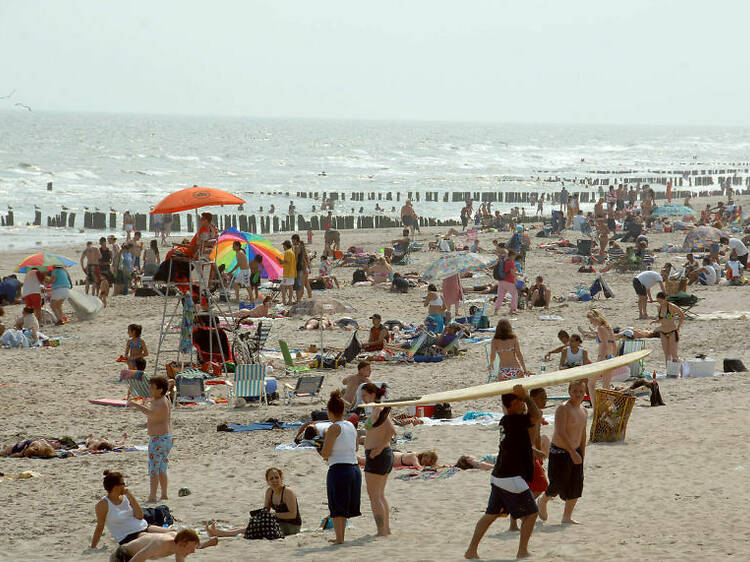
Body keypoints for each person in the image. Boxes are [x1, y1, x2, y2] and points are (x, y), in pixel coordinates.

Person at [464, 384, 541, 560]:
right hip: (510, 477)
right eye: (519, 401)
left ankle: (471, 551)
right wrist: (528, 396)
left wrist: (533, 451)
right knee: (532, 514)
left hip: (499, 476)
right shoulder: (514, 420)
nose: (522, 404)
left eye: (523, 401)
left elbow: (519, 442)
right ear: (511, 405)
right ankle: (522, 551)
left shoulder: (506, 421)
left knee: (490, 515)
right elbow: (536, 415)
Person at [538, 379, 588, 525]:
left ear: (584, 393)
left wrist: (582, 453)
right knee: (557, 484)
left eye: (580, 391)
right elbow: (560, 432)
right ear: (569, 392)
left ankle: (567, 516)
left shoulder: (584, 410)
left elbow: (583, 434)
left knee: (576, 485)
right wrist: (572, 452)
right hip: (560, 451)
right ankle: (543, 500)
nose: (578, 394)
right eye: (574, 391)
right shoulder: (563, 408)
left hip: (576, 450)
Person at [205, 467, 302, 538]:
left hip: (292, 526)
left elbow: (293, 515)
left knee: (257, 527)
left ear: (281, 478)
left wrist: (274, 515)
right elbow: (266, 511)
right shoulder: (269, 492)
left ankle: (221, 533)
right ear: (267, 481)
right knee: (255, 523)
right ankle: (220, 532)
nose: (274, 480)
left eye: (277, 477)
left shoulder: (288, 492)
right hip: (278, 522)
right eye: (271, 478)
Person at [91, 470, 172, 549]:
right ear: (115, 487)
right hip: (129, 536)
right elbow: (100, 527)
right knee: (159, 540)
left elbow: (140, 516)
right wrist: (93, 547)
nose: (125, 486)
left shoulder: (126, 497)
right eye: (123, 484)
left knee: (173, 533)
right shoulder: (103, 505)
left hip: (144, 526)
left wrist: (131, 497)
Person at [320, 391, 361, 544]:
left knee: (336, 505)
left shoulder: (333, 428)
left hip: (339, 469)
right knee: (344, 504)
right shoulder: (350, 425)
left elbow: (326, 452)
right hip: (354, 468)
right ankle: (340, 537)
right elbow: (356, 447)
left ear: (330, 411)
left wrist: (321, 451)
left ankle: (339, 538)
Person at [127, 376, 173, 502]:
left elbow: (151, 413)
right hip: (165, 437)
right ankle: (164, 494)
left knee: (154, 469)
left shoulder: (161, 402)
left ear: (160, 390)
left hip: (158, 439)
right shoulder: (162, 400)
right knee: (162, 468)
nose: (150, 390)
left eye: (152, 388)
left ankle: (153, 495)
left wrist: (136, 405)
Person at [361, 383, 395, 536]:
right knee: (379, 494)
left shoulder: (380, 409)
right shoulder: (377, 409)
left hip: (379, 455)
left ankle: (381, 530)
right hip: (379, 454)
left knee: (374, 495)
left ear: (373, 394)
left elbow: (391, 431)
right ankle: (385, 529)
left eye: (365, 395)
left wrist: (379, 448)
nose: (363, 399)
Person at [108, 529, 200, 562]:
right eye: (191, 548)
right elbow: (135, 560)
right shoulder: (159, 544)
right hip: (122, 555)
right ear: (181, 544)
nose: (193, 551)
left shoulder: (178, 546)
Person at [586, 310, 616, 404]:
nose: (591, 322)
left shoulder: (600, 328)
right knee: (606, 386)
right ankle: (610, 408)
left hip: (604, 358)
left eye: (591, 320)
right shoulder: (608, 328)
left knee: (591, 384)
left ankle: (595, 408)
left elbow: (604, 345)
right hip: (610, 357)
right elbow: (614, 344)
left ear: (595, 318)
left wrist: (601, 360)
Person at [652, 291, 685, 366]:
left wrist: (678, 326)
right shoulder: (659, 308)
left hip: (672, 331)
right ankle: (669, 371)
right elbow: (662, 318)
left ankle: (680, 371)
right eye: (658, 301)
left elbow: (682, 315)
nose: (660, 302)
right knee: (666, 354)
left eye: (661, 301)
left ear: (665, 299)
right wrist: (656, 321)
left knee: (674, 353)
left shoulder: (671, 306)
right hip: (663, 332)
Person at [495, 250, 519, 315]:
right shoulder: (511, 262)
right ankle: (512, 310)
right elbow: (512, 272)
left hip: (501, 281)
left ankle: (496, 311)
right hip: (509, 281)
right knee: (515, 295)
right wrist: (516, 277)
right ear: (512, 256)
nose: (515, 257)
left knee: (500, 296)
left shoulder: (504, 261)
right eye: (514, 256)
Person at [279, 240, 296, 305]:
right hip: (291, 272)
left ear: (286, 246)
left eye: (283, 245)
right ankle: (289, 300)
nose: (283, 247)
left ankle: (284, 301)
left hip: (288, 273)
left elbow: (287, 261)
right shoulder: (291, 252)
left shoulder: (287, 252)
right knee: (290, 287)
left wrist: (281, 261)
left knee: (283, 286)